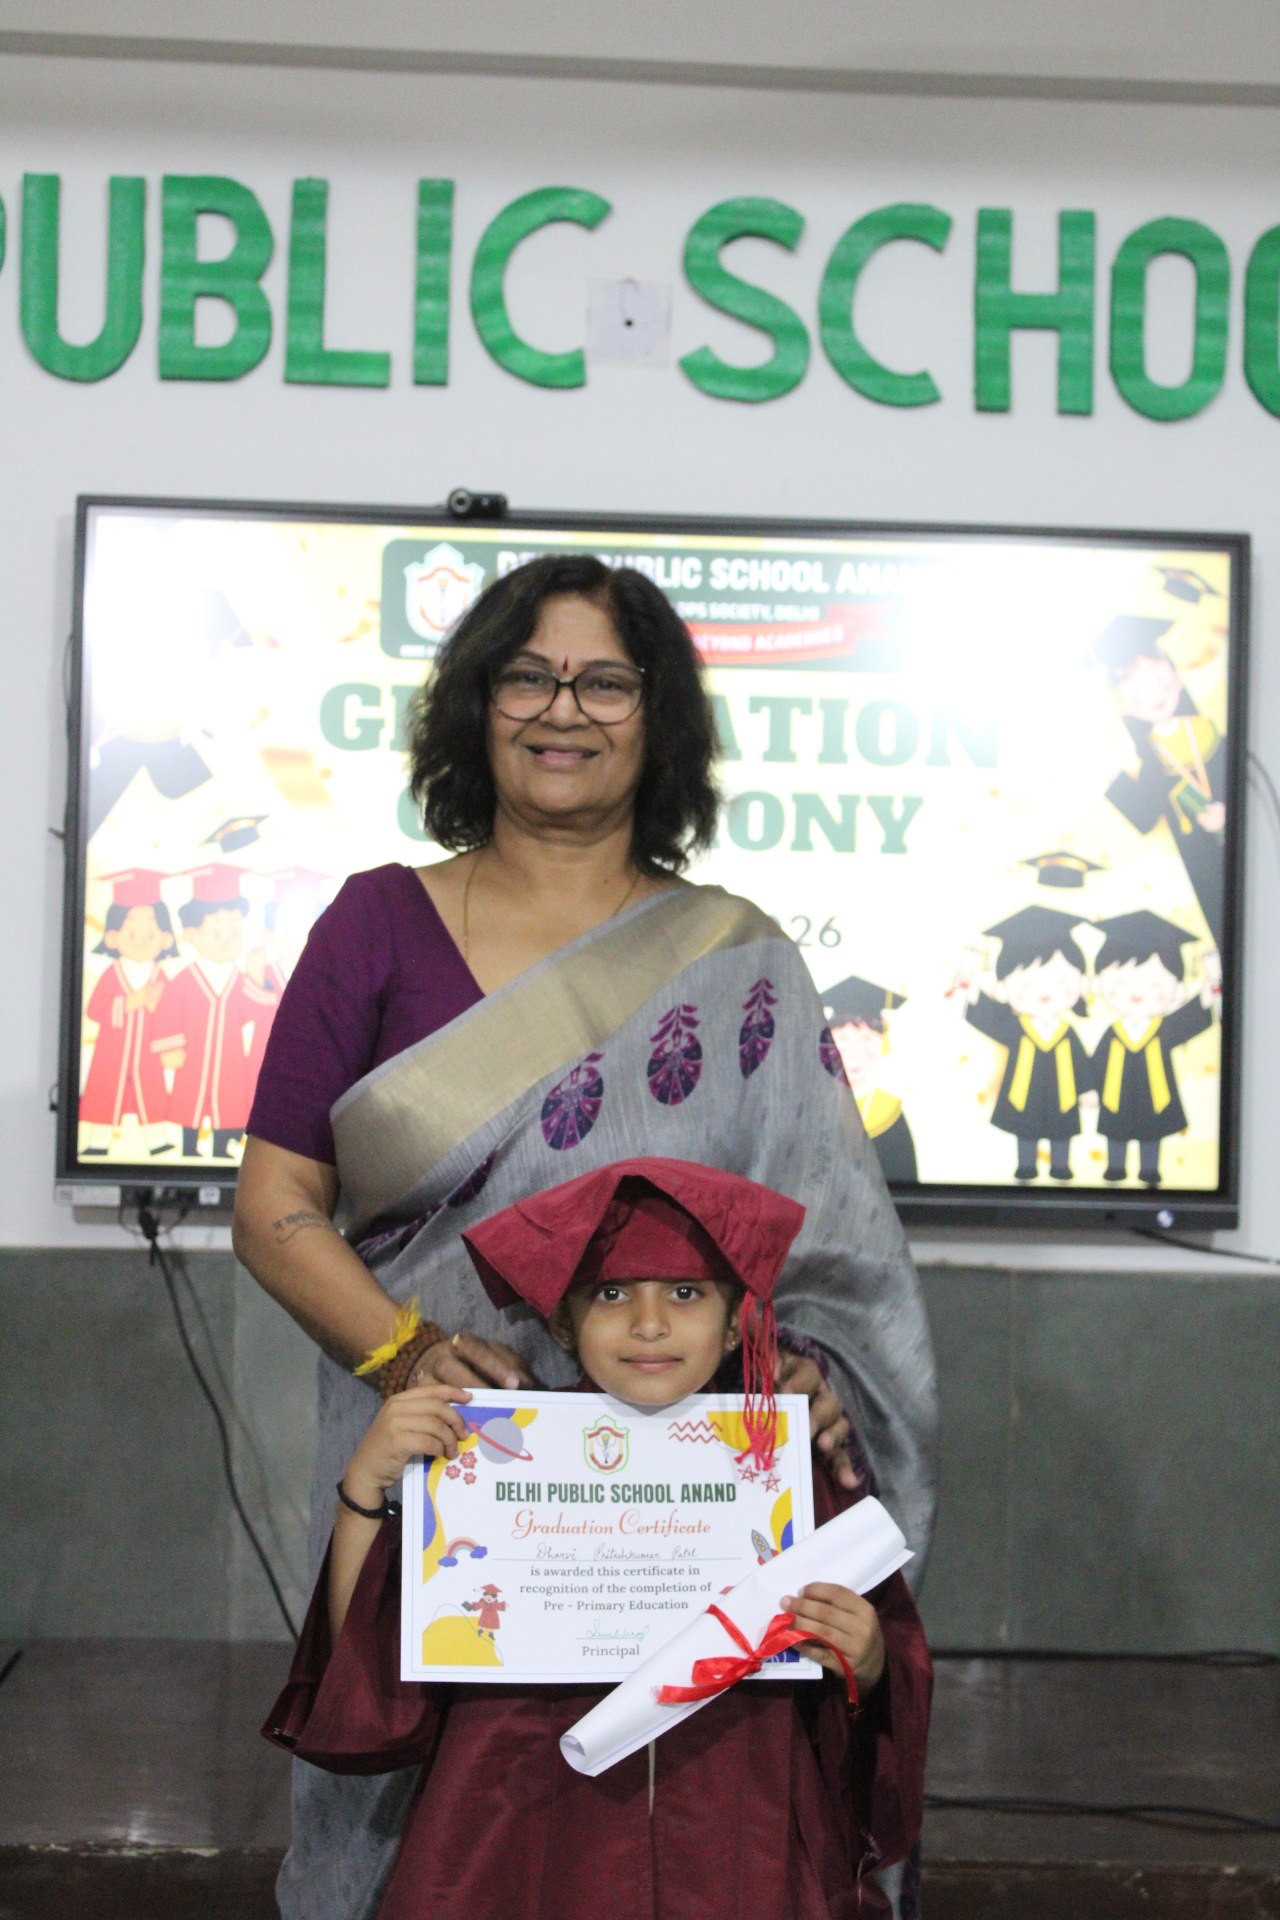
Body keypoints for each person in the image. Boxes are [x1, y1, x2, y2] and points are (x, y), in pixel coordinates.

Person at [232, 555, 937, 1920]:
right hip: (444, 1482)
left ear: (656, 719)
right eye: (528, 676)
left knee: (682, 1845)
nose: (564, 709)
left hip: (684, 1523)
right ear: (476, 706)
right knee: (419, 1834)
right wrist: (408, 1354)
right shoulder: (376, 924)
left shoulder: (737, 958)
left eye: (606, 681)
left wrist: (807, 1377)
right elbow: (273, 1210)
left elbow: (828, 1258)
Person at [263, 1160, 932, 1920]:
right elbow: (370, 1669)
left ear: (737, 1322)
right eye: (613, 1294)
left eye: (686, 1293)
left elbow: (881, 1677)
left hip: (739, 1856)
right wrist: (365, 1484)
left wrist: (868, 1660)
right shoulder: (491, 1466)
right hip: (517, 1851)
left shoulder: (784, 1471)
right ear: (562, 1323)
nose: (649, 1324)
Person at [950, 904, 1094, 1182]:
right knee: (1025, 1131)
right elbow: (984, 1016)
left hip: (1063, 1097)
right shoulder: (1014, 1028)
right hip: (1024, 1096)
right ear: (1004, 988)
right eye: (1027, 985)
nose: (1045, 992)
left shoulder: (1067, 1032)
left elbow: (1081, 1062)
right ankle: (1026, 1166)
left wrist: (1087, 1088)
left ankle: (1060, 1166)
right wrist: (967, 988)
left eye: (1060, 982)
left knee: (1061, 1132)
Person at [1086, 909, 1220, 1187]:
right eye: (1121, 982)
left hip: (1154, 1097)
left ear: (1177, 990)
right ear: (1100, 983)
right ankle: (1115, 1167)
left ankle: (1149, 1169)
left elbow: (1195, 1016)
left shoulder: (1166, 1028)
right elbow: (1097, 1063)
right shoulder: (1113, 1033)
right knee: (1116, 1133)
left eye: (1154, 985)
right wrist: (1090, 1088)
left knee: (1152, 1133)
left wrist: (1212, 986)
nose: (1137, 992)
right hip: (1116, 1096)